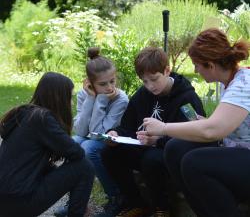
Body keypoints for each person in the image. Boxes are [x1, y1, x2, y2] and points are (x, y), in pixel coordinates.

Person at [138, 28, 250, 217]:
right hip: (237, 148)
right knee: (175, 149)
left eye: (197, 65)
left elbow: (212, 131)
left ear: (211, 65)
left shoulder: (243, 85)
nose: (196, 70)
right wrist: (206, 122)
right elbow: (220, 125)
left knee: (194, 163)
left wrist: (163, 128)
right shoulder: (230, 82)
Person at [101, 46, 206, 217]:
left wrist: (158, 140)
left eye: (154, 79)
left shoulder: (186, 98)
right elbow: (127, 126)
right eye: (144, 81)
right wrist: (115, 134)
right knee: (109, 153)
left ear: (167, 71)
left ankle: (162, 209)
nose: (150, 86)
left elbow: (194, 137)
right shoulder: (142, 95)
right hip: (144, 148)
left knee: (151, 158)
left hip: (172, 155)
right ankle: (136, 204)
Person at [0, 72, 94, 217]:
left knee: (58, 168)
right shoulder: (42, 119)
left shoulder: (26, 114)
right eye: (69, 97)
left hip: (6, 201)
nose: (71, 103)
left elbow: (33, 163)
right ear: (59, 98)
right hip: (18, 202)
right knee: (84, 167)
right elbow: (76, 152)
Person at [54, 47, 129, 217]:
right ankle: (77, 201)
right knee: (72, 143)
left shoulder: (120, 99)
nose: (110, 87)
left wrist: (101, 99)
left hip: (112, 140)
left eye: (112, 81)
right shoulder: (84, 95)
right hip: (93, 137)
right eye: (103, 84)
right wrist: (91, 98)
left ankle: (116, 197)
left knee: (87, 147)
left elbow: (97, 133)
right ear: (89, 83)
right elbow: (80, 129)